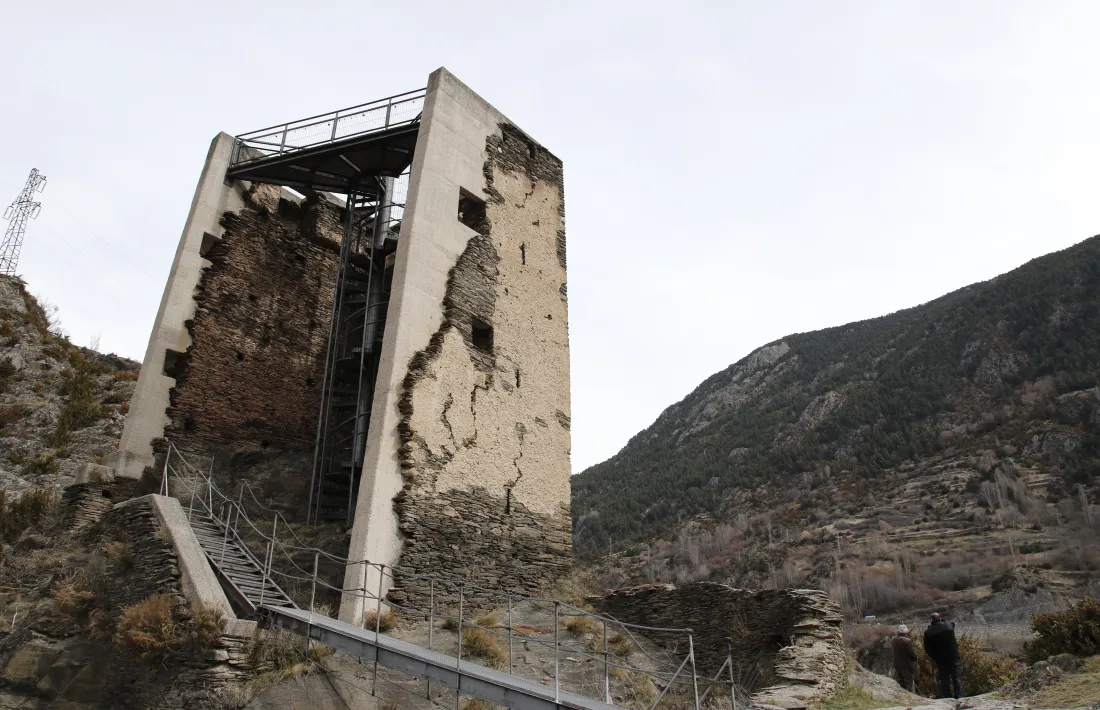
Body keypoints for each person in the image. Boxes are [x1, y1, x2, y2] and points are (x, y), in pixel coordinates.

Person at [923, 612, 962, 699]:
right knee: (956, 678)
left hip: (940, 658)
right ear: (940, 618)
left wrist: (934, 657)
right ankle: (959, 696)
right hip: (953, 655)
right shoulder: (948, 625)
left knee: (945, 679)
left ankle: (947, 697)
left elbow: (927, 648)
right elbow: (952, 624)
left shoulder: (929, 632)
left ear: (931, 620)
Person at [891, 625, 917, 692]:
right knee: (910, 685)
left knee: (900, 685)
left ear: (898, 631)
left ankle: (902, 700)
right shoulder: (907, 641)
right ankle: (912, 699)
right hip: (907, 665)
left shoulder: (893, 640)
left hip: (897, 665)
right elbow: (912, 654)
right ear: (906, 631)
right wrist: (915, 658)